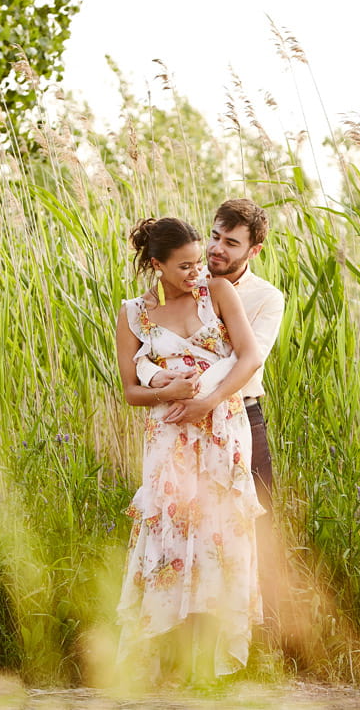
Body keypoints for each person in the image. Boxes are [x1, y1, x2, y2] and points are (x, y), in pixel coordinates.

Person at [115, 216, 265, 680]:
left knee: (219, 535)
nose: (195, 273)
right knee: (172, 537)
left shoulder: (217, 292)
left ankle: (212, 664)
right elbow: (129, 392)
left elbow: (250, 356)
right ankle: (167, 661)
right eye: (183, 267)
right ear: (156, 265)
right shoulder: (133, 314)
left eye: (199, 262)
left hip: (220, 430)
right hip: (169, 439)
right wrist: (167, 392)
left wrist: (206, 401)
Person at [137, 199, 284, 508]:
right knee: (186, 520)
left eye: (231, 243)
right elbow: (151, 343)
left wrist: (206, 402)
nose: (217, 248)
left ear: (253, 251)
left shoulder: (266, 297)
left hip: (241, 413)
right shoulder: (185, 280)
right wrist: (157, 378)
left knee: (252, 521)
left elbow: (248, 359)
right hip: (181, 417)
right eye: (215, 236)